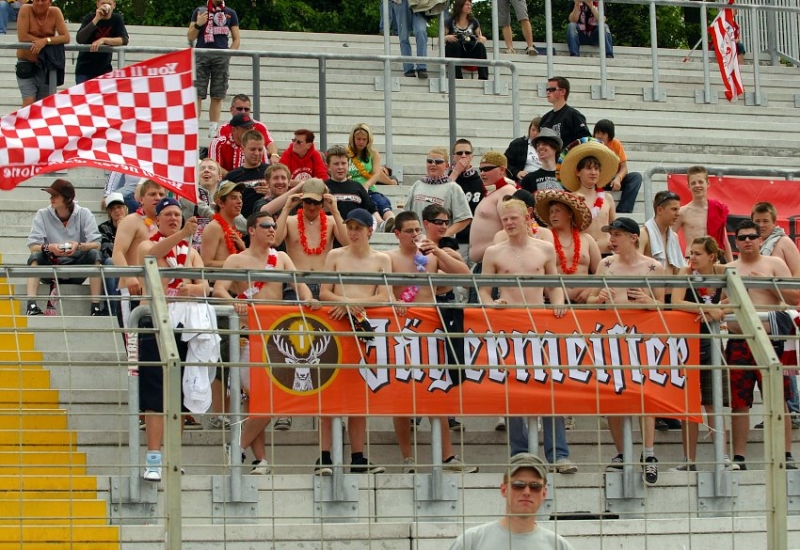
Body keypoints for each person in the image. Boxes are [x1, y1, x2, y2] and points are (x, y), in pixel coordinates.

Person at [212, 211, 317, 474]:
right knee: (264, 400)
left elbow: (299, 284)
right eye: (266, 225)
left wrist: (308, 299)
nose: (272, 229)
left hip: (276, 337)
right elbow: (219, 289)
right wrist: (234, 303)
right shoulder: (236, 259)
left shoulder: (281, 257)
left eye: (273, 225)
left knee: (266, 400)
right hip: (248, 336)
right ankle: (250, 453)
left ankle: (247, 452)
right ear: (251, 230)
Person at [387, 211, 477, 473]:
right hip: (401, 334)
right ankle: (408, 459)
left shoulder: (431, 256)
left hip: (431, 331)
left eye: (418, 230)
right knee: (402, 398)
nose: (415, 235)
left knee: (437, 395)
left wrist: (437, 252)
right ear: (397, 234)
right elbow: (381, 291)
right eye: (409, 231)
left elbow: (465, 277)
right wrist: (393, 301)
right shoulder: (388, 258)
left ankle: (447, 457)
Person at [136, 197, 213, 481]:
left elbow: (205, 284)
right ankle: (153, 459)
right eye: (167, 214)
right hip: (155, 324)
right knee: (156, 396)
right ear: (157, 220)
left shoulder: (190, 252)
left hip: (184, 325)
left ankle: (173, 458)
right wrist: (182, 234)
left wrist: (193, 290)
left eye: (177, 215)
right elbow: (150, 256)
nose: (173, 218)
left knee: (180, 396)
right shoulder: (148, 244)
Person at [587, 217, 666, 485]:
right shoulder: (606, 264)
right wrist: (598, 299)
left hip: (642, 338)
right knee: (613, 397)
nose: (612, 240)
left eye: (618, 234)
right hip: (612, 337)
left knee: (645, 397)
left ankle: (649, 453)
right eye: (611, 234)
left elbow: (664, 305)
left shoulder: (653, 267)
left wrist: (648, 301)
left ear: (633, 237)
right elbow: (589, 298)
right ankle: (622, 452)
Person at [316, 208, 392, 475]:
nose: (353, 232)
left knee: (358, 399)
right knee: (329, 396)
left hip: (363, 331)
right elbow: (324, 292)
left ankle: (358, 457)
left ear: (370, 231)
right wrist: (348, 303)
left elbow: (384, 296)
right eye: (350, 227)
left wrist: (352, 304)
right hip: (335, 329)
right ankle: (324, 456)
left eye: (358, 228)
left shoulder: (382, 259)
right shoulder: (335, 255)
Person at [722, 220, 799, 471]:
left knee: (778, 400)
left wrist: (768, 283)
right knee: (739, 402)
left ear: (760, 239)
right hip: (739, 340)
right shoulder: (729, 268)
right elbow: (720, 303)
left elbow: (795, 298)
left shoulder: (774, 264)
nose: (747, 241)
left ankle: (785, 454)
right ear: (736, 242)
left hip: (771, 340)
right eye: (742, 237)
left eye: (752, 237)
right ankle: (739, 457)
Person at [670, 236, 737, 471]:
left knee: (713, 403)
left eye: (698, 254)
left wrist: (718, 310)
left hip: (713, 343)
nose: (692, 258)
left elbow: (739, 299)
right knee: (689, 405)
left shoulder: (723, 272)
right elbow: (676, 302)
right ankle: (689, 460)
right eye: (691, 253)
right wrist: (706, 308)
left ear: (712, 256)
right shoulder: (685, 272)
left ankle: (722, 457)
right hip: (687, 345)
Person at [448, 453, 576, 550]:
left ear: (544, 493)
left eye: (535, 486)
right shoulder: (471, 542)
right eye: (518, 485)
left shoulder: (558, 546)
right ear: (504, 490)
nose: (527, 492)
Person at [25, 179, 105, 316]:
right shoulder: (42, 214)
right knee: (35, 257)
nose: (51, 198)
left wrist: (78, 246)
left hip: (76, 269)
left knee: (95, 255)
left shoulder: (84, 213)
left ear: (67, 199)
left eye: (55, 195)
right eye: (51, 195)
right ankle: (31, 305)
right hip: (51, 268)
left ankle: (95, 307)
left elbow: (97, 244)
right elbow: (33, 247)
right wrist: (50, 248)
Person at [112, 180, 166, 328]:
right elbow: (117, 253)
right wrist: (129, 276)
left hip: (158, 293)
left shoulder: (165, 225)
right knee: (133, 340)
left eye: (161, 194)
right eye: (152, 194)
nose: (158, 197)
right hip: (133, 291)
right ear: (141, 199)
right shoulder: (131, 221)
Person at [534, 189, 599, 304]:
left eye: (558, 211)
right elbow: (535, 272)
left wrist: (590, 290)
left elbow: (602, 271)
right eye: (551, 212)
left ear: (570, 214)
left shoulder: (587, 239)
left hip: (584, 303)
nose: (553, 215)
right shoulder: (544, 240)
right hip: (553, 303)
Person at [187, 0, 240, 138]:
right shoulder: (200, 11)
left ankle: (213, 129)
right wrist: (198, 24)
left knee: (217, 95)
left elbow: (236, 39)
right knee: (197, 94)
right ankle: (194, 128)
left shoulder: (230, 13)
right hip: (201, 54)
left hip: (221, 55)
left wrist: (228, 55)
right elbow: (190, 36)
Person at [558, 138, 619, 255]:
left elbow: (615, 227)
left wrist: (615, 242)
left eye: (596, 169)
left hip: (606, 252)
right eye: (588, 168)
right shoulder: (571, 198)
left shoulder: (607, 198)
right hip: (583, 254)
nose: (593, 172)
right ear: (578, 172)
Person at [405, 148, 473, 240]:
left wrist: (446, 234)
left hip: (439, 244)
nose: (433, 164)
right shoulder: (417, 185)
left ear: (447, 166)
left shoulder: (453, 188)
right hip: (417, 242)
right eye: (430, 161)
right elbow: (406, 215)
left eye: (438, 162)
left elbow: (465, 218)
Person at [673, 165, 733, 263]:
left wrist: (731, 265)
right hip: (691, 261)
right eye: (693, 183)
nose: (697, 185)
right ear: (688, 186)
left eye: (700, 182)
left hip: (713, 261)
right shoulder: (682, 212)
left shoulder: (717, 209)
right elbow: (670, 238)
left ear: (708, 183)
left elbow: (724, 240)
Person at [15, 0, 69, 107]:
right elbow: (23, 36)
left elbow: (66, 37)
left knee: (43, 105)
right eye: (37, 0)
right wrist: (42, 42)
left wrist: (45, 41)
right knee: (29, 101)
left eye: (43, 0)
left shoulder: (55, 12)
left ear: (50, 2)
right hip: (26, 63)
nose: (39, 3)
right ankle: (23, 118)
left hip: (46, 65)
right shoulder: (25, 9)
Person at [467, 151, 517, 265]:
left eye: (487, 169)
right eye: (481, 170)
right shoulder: (493, 191)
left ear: (502, 170)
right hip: (486, 261)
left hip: (496, 261)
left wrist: (494, 249)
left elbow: (511, 228)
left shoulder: (507, 191)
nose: (482, 173)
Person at [324, 145, 378, 242]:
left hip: (355, 241)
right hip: (329, 241)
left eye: (343, 163)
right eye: (336, 164)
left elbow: (372, 212)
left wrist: (368, 233)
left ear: (348, 165)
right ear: (328, 166)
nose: (340, 167)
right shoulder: (323, 188)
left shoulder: (357, 187)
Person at [347, 123, 395, 230]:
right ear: (353, 138)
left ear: (369, 140)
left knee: (380, 200)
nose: (361, 142)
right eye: (358, 139)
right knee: (369, 201)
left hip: (369, 188)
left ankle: (392, 220)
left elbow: (377, 173)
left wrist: (367, 185)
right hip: (354, 190)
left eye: (364, 139)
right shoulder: (347, 153)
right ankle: (381, 223)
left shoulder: (373, 153)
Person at [592, 119, 642, 214]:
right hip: (595, 180)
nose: (599, 136)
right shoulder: (590, 144)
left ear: (610, 136)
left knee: (636, 177)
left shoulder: (615, 144)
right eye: (597, 133)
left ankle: (623, 210)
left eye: (603, 133)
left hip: (612, 181)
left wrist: (618, 178)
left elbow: (624, 167)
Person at [74, 0, 128, 84]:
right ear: (97, 4)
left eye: (109, 4)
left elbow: (124, 39)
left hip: (104, 69)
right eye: (103, 3)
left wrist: (104, 40)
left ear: (114, 5)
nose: (106, 6)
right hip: (84, 69)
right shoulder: (89, 17)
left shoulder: (116, 19)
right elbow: (80, 39)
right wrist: (96, 19)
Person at [447, 139, 482, 264]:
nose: (463, 156)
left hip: (475, 240)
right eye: (459, 153)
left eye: (467, 153)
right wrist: (456, 172)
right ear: (453, 157)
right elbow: (443, 196)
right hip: (455, 239)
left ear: (472, 156)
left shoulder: (480, 181)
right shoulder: (447, 179)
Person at [180, 158, 227, 252]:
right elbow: (200, 206)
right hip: (191, 249)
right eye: (202, 168)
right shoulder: (188, 191)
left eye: (211, 168)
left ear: (219, 177)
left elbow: (239, 223)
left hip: (217, 248)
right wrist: (220, 218)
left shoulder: (226, 197)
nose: (206, 170)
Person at [215, 94, 278, 162]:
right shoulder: (223, 128)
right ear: (231, 109)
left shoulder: (259, 126)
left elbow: (269, 143)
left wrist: (274, 155)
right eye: (239, 109)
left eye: (246, 109)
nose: (243, 112)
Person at [200, 181, 246, 268]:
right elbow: (206, 263)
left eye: (240, 197)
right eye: (234, 198)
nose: (239, 201)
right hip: (220, 277)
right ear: (221, 203)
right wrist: (236, 263)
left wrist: (243, 248)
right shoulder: (214, 227)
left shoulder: (233, 227)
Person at [640, 190, 686, 275]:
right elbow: (635, 267)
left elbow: (677, 270)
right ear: (660, 210)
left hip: (671, 283)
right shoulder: (644, 234)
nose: (678, 214)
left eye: (678, 209)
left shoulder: (674, 237)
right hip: (650, 283)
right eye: (674, 209)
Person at [539, 76, 590, 150]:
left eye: (552, 89)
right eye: (547, 89)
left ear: (563, 92)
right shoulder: (545, 119)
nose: (548, 92)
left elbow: (585, 140)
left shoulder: (574, 115)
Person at [752, 202, 800, 277]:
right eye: (757, 221)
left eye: (765, 221)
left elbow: (798, 274)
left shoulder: (784, 242)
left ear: (774, 223)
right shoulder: (750, 245)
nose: (761, 225)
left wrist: (769, 282)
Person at [98, 191, 127, 315]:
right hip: (114, 262)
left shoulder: (135, 225)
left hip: (131, 261)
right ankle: (112, 309)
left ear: (125, 208)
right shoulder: (103, 228)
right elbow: (108, 251)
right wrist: (120, 230)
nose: (117, 211)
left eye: (119, 207)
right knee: (110, 262)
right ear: (109, 212)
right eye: (113, 208)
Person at [444, 0, 488, 80]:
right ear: (460, 6)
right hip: (455, 50)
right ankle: (456, 77)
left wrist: (482, 39)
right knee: (455, 45)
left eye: (470, 5)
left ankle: (483, 77)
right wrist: (447, 37)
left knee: (480, 46)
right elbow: (440, 39)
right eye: (467, 5)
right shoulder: (450, 21)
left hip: (469, 49)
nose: (469, 6)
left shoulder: (473, 21)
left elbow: (481, 37)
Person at [518, 128, 564, 195]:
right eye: (538, 145)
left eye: (544, 144)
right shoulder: (529, 179)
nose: (540, 147)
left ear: (555, 147)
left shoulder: (566, 177)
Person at [392, 0, 428, 78]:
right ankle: (408, 68)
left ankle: (422, 67)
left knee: (421, 31)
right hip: (402, 3)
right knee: (404, 36)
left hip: (419, 3)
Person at [504, 117, 542, 186]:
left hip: (543, 177)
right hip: (525, 178)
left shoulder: (549, 147)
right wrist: (516, 172)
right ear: (529, 129)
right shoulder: (518, 144)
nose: (535, 133)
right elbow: (504, 162)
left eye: (538, 131)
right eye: (533, 130)